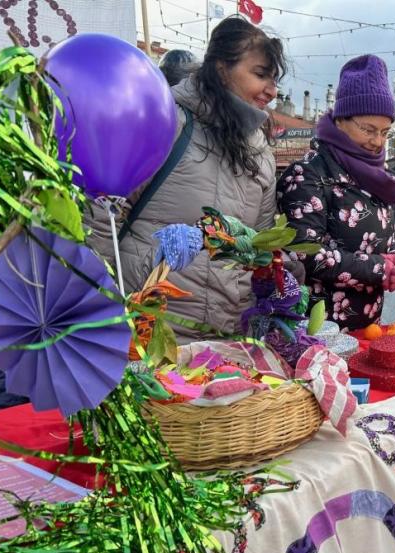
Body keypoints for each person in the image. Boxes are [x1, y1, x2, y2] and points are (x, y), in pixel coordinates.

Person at [87, 16, 285, 341]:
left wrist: (276, 271)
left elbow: (257, 244)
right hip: (148, 330)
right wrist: (101, 302)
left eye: (275, 81)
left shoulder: (260, 151)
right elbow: (102, 214)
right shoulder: (164, 121)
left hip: (224, 339)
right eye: (260, 75)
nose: (271, 91)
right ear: (222, 68)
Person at [277, 55, 395, 332]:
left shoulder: (375, 175)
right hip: (316, 332)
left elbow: (389, 233)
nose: (377, 142)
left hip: (368, 329)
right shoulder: (307, 175)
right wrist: (378, 268)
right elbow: (304, 253)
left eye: (385, 132)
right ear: (340, 121)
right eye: (368, 130)